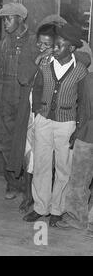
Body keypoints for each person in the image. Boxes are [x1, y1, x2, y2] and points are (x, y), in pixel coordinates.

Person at [23, 24, 88, 226]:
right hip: (43, 121)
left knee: (63, 169)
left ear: (71, 49)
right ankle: (40, 207)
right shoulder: (44, 63)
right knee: (41, 165)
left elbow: (84, 103)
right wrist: (37, 114)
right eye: (55, 44)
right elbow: (32, 85)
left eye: (60, 45)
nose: (54, 48)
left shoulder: (80, 71)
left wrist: (77, 128)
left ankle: (58, 210)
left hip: (66, 125)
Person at [0, 3, 39, 200]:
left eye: (8, 18)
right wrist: (1, 92)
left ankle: (27, 186)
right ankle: (12, 184)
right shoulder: (4, 42)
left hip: (25, 102)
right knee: (5, 142)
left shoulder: (34, 41)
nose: (5, 23)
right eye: (3, 19)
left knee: (26, 144)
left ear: (20, 19)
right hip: (7, 100)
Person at [15, 23, 56, 214]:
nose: (42, 47)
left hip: (45, 117)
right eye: (39, 43)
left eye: (47, 45)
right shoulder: (34, 56)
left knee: (42, 161)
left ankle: (40, 202)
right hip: (28, 114)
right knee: (27, 156)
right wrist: (38, 59)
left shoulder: (58, 61)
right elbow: (23, 77)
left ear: (56, 44)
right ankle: (28, 195)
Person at [56, 72, 93, 230]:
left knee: (79, 177)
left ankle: (80, 218)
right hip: (86, 133)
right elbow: (83, 107)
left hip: (86, 133)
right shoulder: (88, 78)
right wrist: (77, 130)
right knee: (79, 177)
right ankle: (78, 217)